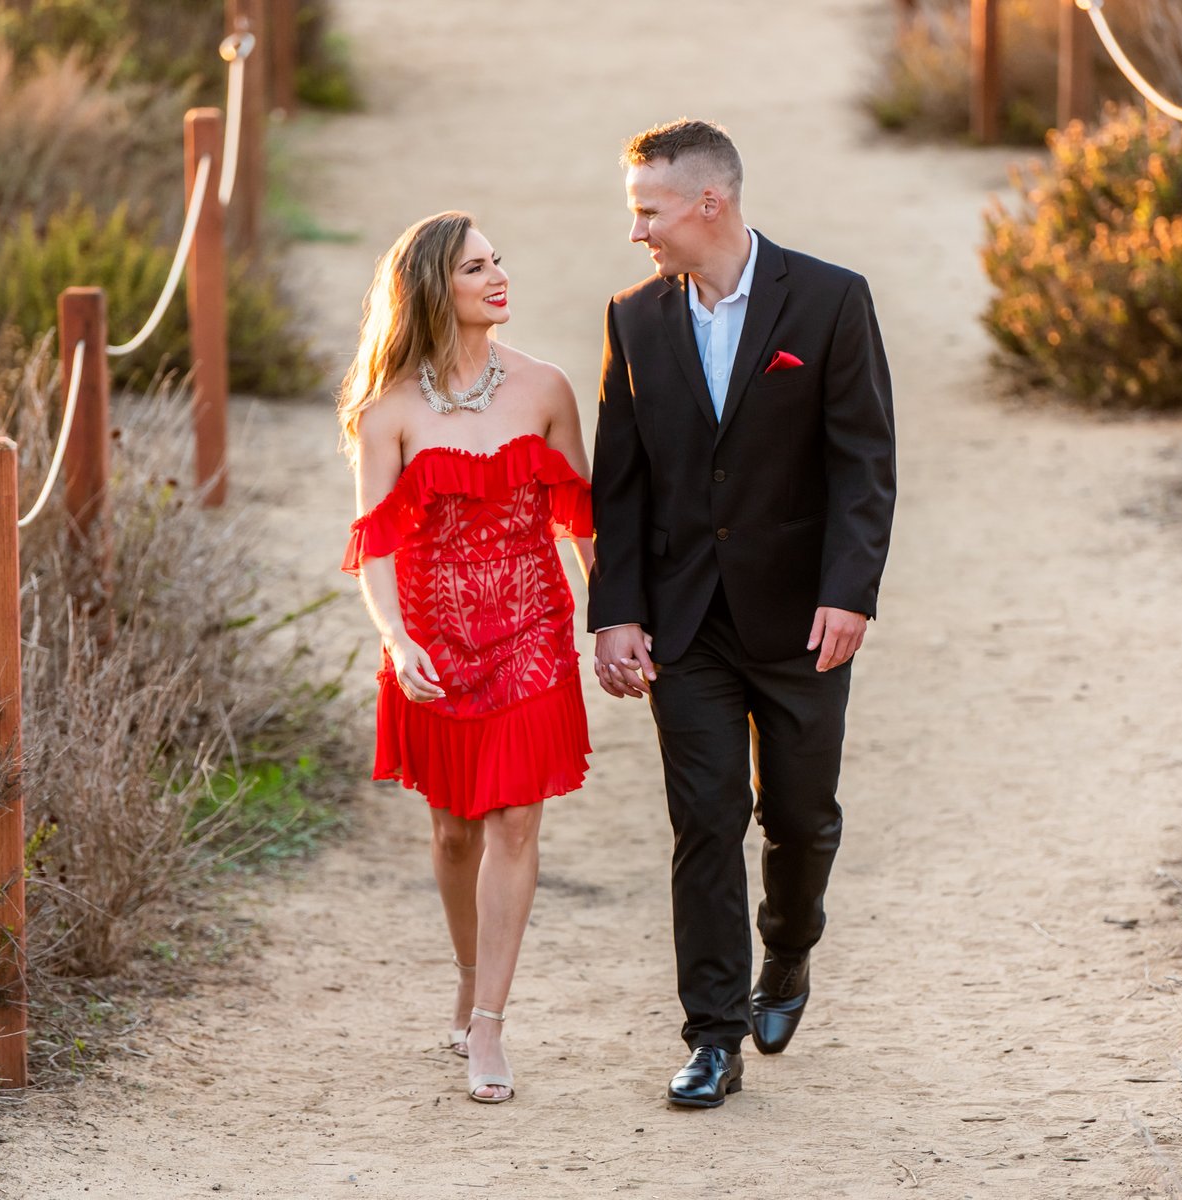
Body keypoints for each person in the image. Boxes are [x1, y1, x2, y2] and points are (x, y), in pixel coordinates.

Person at [588, 120, 897, 1109]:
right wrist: (615, 612)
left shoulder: (831, 299)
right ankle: (712, 1036)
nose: (636, 230)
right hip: (685, 623)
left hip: (804, 616)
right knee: (705, 817)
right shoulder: (633, 318)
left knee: (799, 817)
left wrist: (848, 592)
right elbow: (619, 483)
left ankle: (790, 949)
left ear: (707, 203)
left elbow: (864, 463)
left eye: (648, 210)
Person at [339, 211, 595, 1105]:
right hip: (433, 637)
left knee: (514, 823)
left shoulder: (547, 387)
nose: (498, 278)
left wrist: (616, 621)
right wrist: (395, 636)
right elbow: (374, 545)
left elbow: (580, 520)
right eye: (475, 268)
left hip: (532, 630)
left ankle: (489, 1022)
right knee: (453, 830)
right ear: (430, 288)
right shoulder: (387, 409)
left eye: (498, 262)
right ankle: (466, 973)